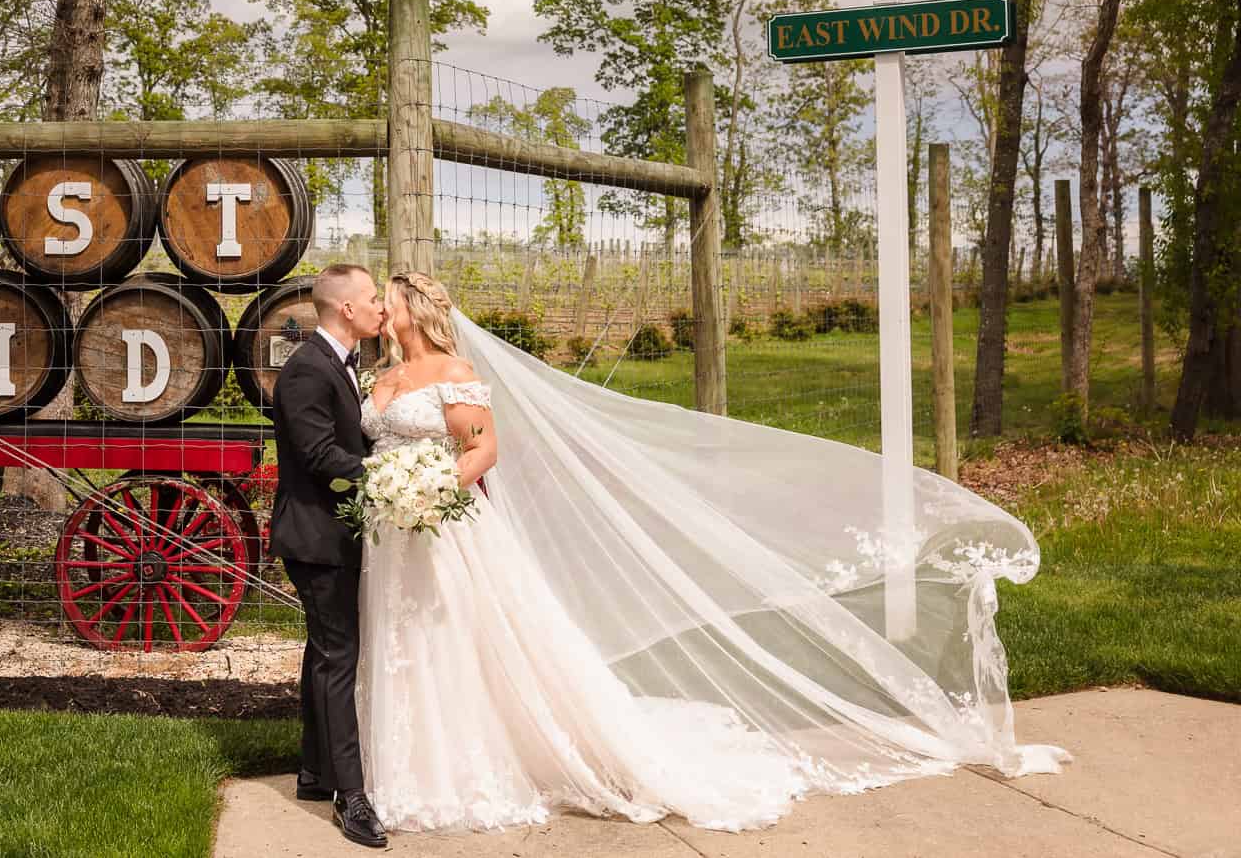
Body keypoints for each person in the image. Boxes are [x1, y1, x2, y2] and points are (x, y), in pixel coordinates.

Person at [354, 270, 1068, 836]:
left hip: (444, 526)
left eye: (386, 302)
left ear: (414, 309)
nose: (379, 312)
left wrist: (430, 490)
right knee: (404, 640)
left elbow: (484, 448)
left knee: (459, 637)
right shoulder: (377, 375)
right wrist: (393, 490)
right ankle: (409, 769)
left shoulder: (450, 370)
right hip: (393, 536)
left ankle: (473, 766)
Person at [267, 263, 389, 848]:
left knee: (324, 653)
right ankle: (353, 796)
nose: (380, 308)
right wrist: (391, 473)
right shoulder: (306, 370)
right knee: (340, 658)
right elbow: (318, 455)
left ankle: (316, 772)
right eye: (371, 299)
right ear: (345, 309)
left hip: (327, 533)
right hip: (316, 537)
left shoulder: (338, 364)